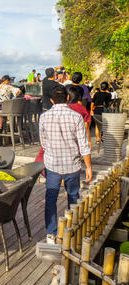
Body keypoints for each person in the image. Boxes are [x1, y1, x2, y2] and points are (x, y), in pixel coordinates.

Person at [39, 85, 92, 244]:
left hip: (52, 164)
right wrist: (89, 167)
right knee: (73, 197)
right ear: (68, 98)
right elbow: (83, 145)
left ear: (51, 100)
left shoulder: (44, 117)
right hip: (72, 164)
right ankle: (72, 230)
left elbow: (44, 143)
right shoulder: (76, 117)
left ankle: (51, 234)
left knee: (51, 198)